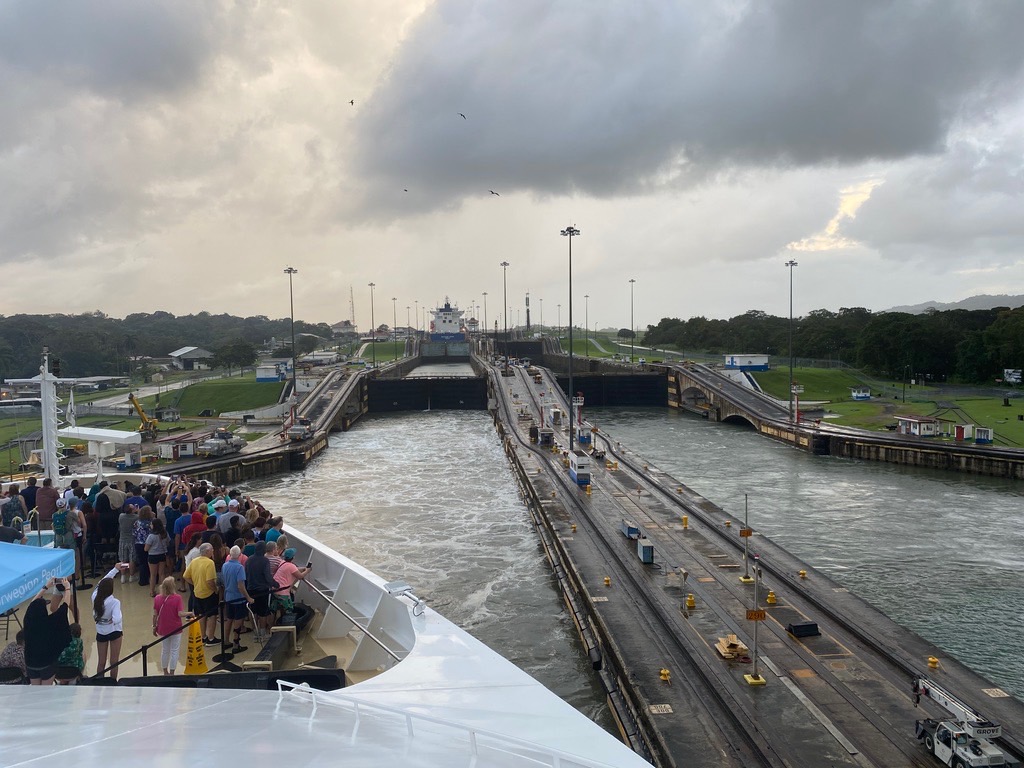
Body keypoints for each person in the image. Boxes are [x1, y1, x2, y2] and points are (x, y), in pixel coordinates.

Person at [24, 578, 73, 685]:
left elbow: (31, 605)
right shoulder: (51, 622)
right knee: (46, 693)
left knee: (35, 692)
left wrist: (45, 587)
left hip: (30, 663)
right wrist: (68, 588)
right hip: (46, 663)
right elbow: (65, 606)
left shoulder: (28, 621)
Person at [93, 564, 130, 680]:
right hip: (114, 632)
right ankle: (113, 683)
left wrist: (115, 569)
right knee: (114, 661)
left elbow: (102, 581)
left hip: (101, 632)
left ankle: (100, 682)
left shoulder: (94, 596)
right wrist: (112, 621)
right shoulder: (115, 602)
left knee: (101, 662)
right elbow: (117, 619)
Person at [183, 543, 219, 645]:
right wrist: (215, 590)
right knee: (212, 616)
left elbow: (185, 576)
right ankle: (211, 638)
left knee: (201, 615)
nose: (212, 551)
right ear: (207, 552)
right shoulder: (209, 563)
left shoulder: (194, 561)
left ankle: (203, 636)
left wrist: (195, 583)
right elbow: (210, 581)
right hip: (209, 593)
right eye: (211, 550)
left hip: (197, 592)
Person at [153, 577, 189, 675]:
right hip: (175, 628)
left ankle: (165, 672)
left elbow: (155, 614)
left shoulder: (157, 598)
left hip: (162, 628)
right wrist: (190, 613)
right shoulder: (177, 598)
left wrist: (154, 626)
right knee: (174, 650)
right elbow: (180, 614)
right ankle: (172, 672)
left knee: (165, 650)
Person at [221, 546, 253, 653]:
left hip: (228, 597)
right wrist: (248, 597)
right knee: (238, 621)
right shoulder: (239, 568)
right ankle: (236, 643)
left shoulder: (225, 565)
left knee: (229, 619)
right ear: (239, 555)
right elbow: (241, 586)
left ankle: (225, 640)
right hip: (238, 598)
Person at [244, 541, 275, 635]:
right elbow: (267, 576)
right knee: (263, 611)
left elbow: (246, 573)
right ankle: (262, 632)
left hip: (250, 589)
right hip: (262, 590)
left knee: (253, 610)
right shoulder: (265, 560)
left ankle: (255, 630)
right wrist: (276, 584)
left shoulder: (249, 559)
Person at [271, 548, 310, 616]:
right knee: (289, 610)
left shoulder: (282, 562)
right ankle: (286, 624)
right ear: (293, 557)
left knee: (273, 611)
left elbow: (294, 570)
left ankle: (271, 625)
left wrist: (303, 568)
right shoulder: (291, 566)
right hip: (282, 592)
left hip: (274, 590)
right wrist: (307, 571)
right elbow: (300, 576)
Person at [144, 518, 171, 596]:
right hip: (162, 555)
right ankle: (162, 591)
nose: (150, 525)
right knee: (162, 574)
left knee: (153, 574)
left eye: (151, 524)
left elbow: (146, 549)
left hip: (153, 556)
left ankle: (152, 592)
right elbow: (168, 543)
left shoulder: (151, 536)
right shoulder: (165, 534)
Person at [132, 507, 154, 588]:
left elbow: (133, 534)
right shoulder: (151, 523)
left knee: (142, 563)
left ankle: (143, 580)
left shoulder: (136, 522)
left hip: (138, 544)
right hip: (149, 544)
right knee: (150, 562)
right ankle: (152, 578)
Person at [117, 503, 139, 583]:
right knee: (132, 559)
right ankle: (131, 576)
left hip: (122, 540)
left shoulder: (121, 516)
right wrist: (137, 511)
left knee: (123, 559)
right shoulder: (136, 517)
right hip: (132, 540)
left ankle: (123, 576)